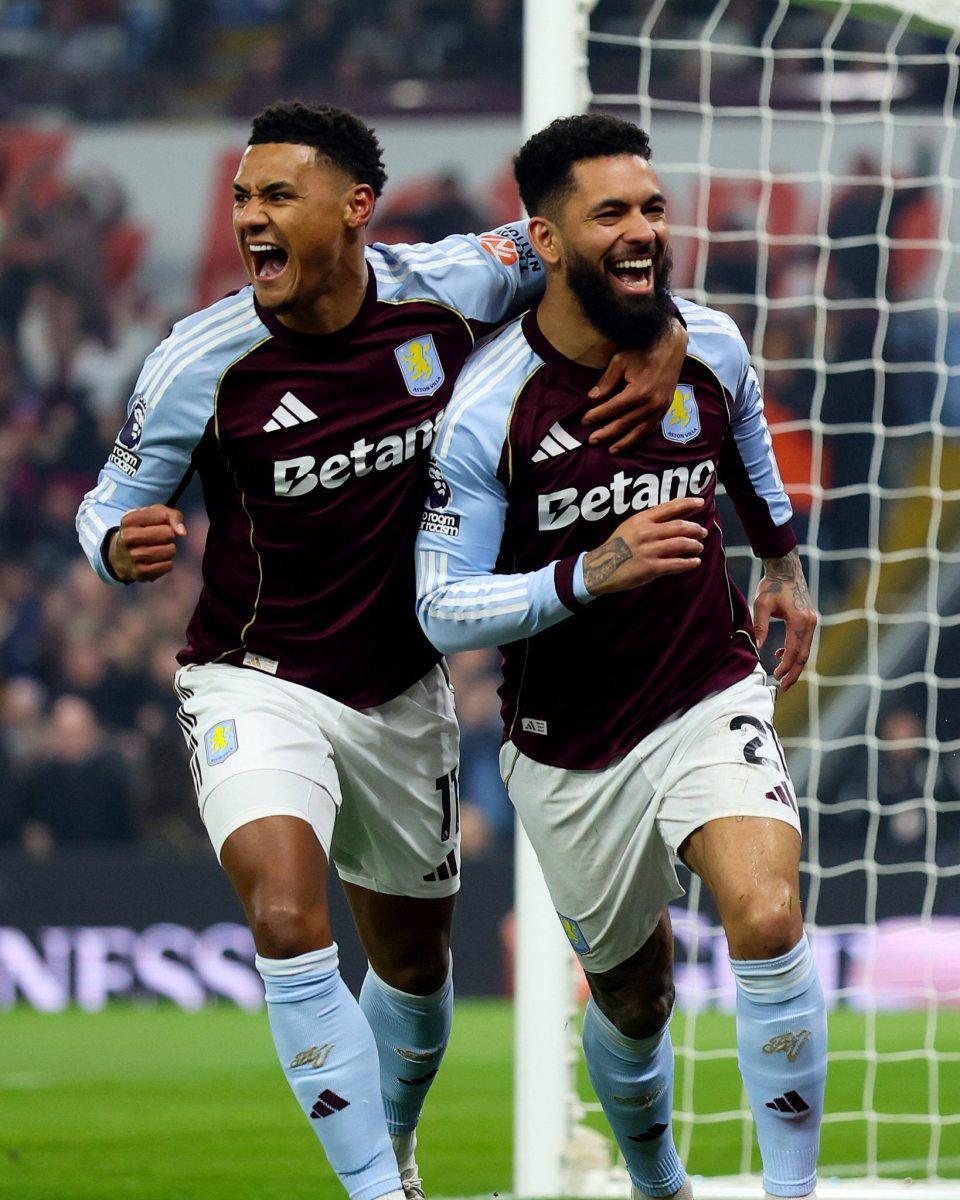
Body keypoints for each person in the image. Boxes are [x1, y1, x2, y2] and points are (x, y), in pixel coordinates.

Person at [76, 101, 688, 1200]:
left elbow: (602, 252)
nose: (250, 218)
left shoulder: (451, 285)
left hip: (402, 693)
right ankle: (375, 1191)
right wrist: (118, 548)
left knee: (414, 972)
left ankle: (394, 1151)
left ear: (356, 208)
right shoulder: (200, 360)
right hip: (255, 679)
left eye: (278, 196)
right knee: (285, 917)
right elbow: (107, 506)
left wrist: (667, 331)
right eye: (242, 198)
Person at [415, 114, 823, 1200]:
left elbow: (742, 432)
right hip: (569, 743)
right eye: (611, 215)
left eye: (652, 208)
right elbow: (441, 607)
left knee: (768, 917)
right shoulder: (490, 405)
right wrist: (590, 572)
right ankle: (656, 1182)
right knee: (636, 1000)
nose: (643, 230)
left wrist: (780, 557)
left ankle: (793, 1192)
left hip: (705, 687)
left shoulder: (710, 344)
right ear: (546, 241)